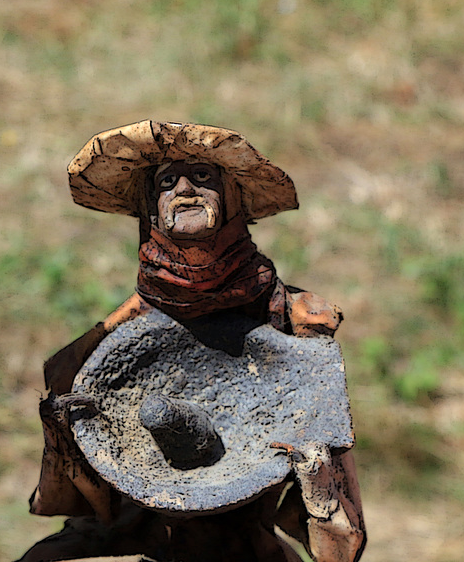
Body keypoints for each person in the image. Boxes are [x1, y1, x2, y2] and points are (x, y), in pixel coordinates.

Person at [20, 120, 365, 562]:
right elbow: (79, 467)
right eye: (168, 182)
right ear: (149, 207)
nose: (185, 190)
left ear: (232, 196)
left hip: (244, 538)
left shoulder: (295, 318)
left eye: (203, 178)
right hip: (138, 526)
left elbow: (339, 519)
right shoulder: (107, 337)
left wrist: (316, 478)